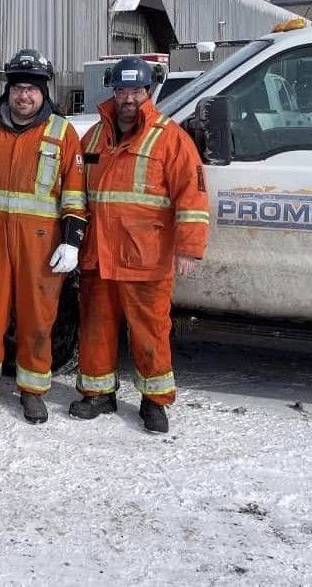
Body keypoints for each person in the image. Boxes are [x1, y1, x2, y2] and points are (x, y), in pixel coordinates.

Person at [68, 57, 209, 433]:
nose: (128, 99)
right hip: (98, 255)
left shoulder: (170, 138)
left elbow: (192, 196)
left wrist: (189, 247)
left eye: (136, 91)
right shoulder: (93, 137)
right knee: (95, 327)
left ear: (149, 92)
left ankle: (154, 401)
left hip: (146, 256)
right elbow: (74, 191)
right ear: (113, 92)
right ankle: (98, 393)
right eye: (121, 91)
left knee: (150, 331)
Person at [0, 49, 87, 424]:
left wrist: (71, 241)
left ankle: (33, 391)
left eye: (31, 89)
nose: (24, 96)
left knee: (37, 319)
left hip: (41, 242)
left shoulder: (62, 133)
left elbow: (75, 195)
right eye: (18, 88)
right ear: (8, 91)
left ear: (44, 92)